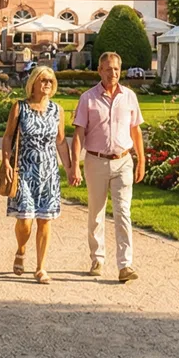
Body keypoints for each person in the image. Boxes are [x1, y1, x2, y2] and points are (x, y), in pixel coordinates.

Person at [70, 52, 145, 283]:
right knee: (96, 212)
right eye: (108, 69)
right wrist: (74, 166)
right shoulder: (88, 99)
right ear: (99, 71)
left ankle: (125, 265)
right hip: (96, 160)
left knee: (123, 212)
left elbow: (136, 130)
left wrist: (141, 159)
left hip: (123, 160)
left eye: (116, 69)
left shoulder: (129, 96)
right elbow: (79, 133)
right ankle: (97, 257)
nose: (112, 73)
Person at [5, 66, 67, 283]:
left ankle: (41, 268)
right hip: (24, 170)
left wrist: (70, 167)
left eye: (50, 80)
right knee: (25, 220)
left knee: (45, 219)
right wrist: (5, 161)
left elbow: (60, 140)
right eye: (43, 80)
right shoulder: (20, 107)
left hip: (48, 172)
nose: (47, 84)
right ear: (33, 83)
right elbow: (8, 137)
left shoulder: (57, 110)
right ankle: (21, 249)